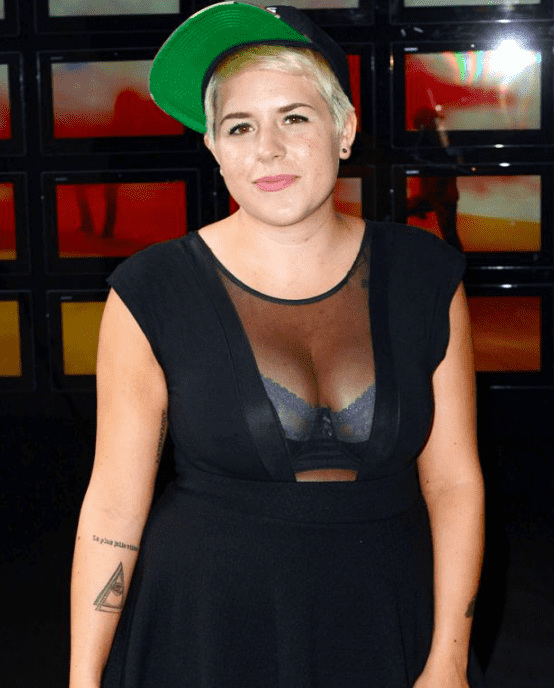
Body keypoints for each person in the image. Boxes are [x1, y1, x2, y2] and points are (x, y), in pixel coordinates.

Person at [69, 4, 485, 688]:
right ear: (214, 147)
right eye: (240, 126)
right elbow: (113, 503)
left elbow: (454, 482)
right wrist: (84, 679)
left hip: (387, 625)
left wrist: (448, 658)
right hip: (204, 635)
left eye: (294, 117)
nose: (267, 148)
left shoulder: (426, 275)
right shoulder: (151, 290)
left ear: (344, 129)